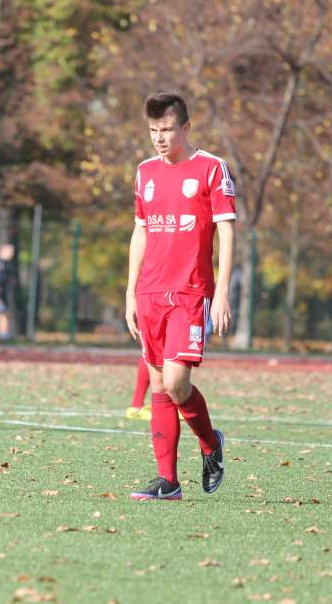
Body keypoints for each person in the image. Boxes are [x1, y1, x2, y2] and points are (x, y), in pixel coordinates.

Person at [125, 93, 236, 501]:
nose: (159, 138)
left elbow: (226, 230)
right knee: (158, 384)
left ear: (186, 128)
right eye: (153, 130)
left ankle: (210, 444)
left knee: (175, 381)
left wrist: (221, 290)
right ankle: (167, 482)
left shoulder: (211, 168)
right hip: (150, 290)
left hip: (190, 291)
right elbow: (141, 231)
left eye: (167, 129)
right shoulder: (144, 172)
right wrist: (130, 292)